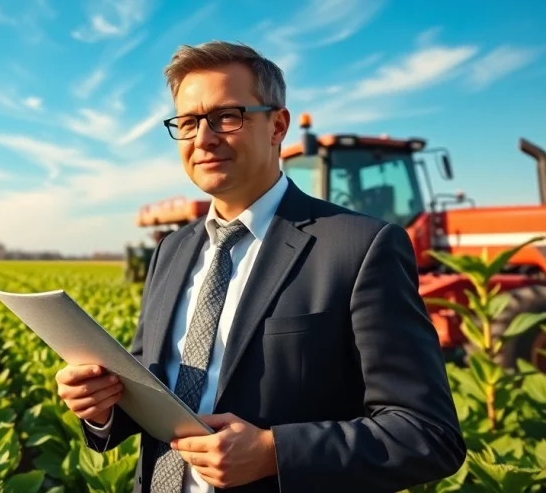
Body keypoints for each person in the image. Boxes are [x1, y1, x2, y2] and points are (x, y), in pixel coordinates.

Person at [54, 41, 465, 492]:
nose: (204, 138)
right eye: (188, 123)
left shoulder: (361, 247)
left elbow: (428, 433)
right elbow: (152, 379)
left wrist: (275, 452)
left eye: (227, 117)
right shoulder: (171, 250)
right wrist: (102, 407)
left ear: (277, 125)